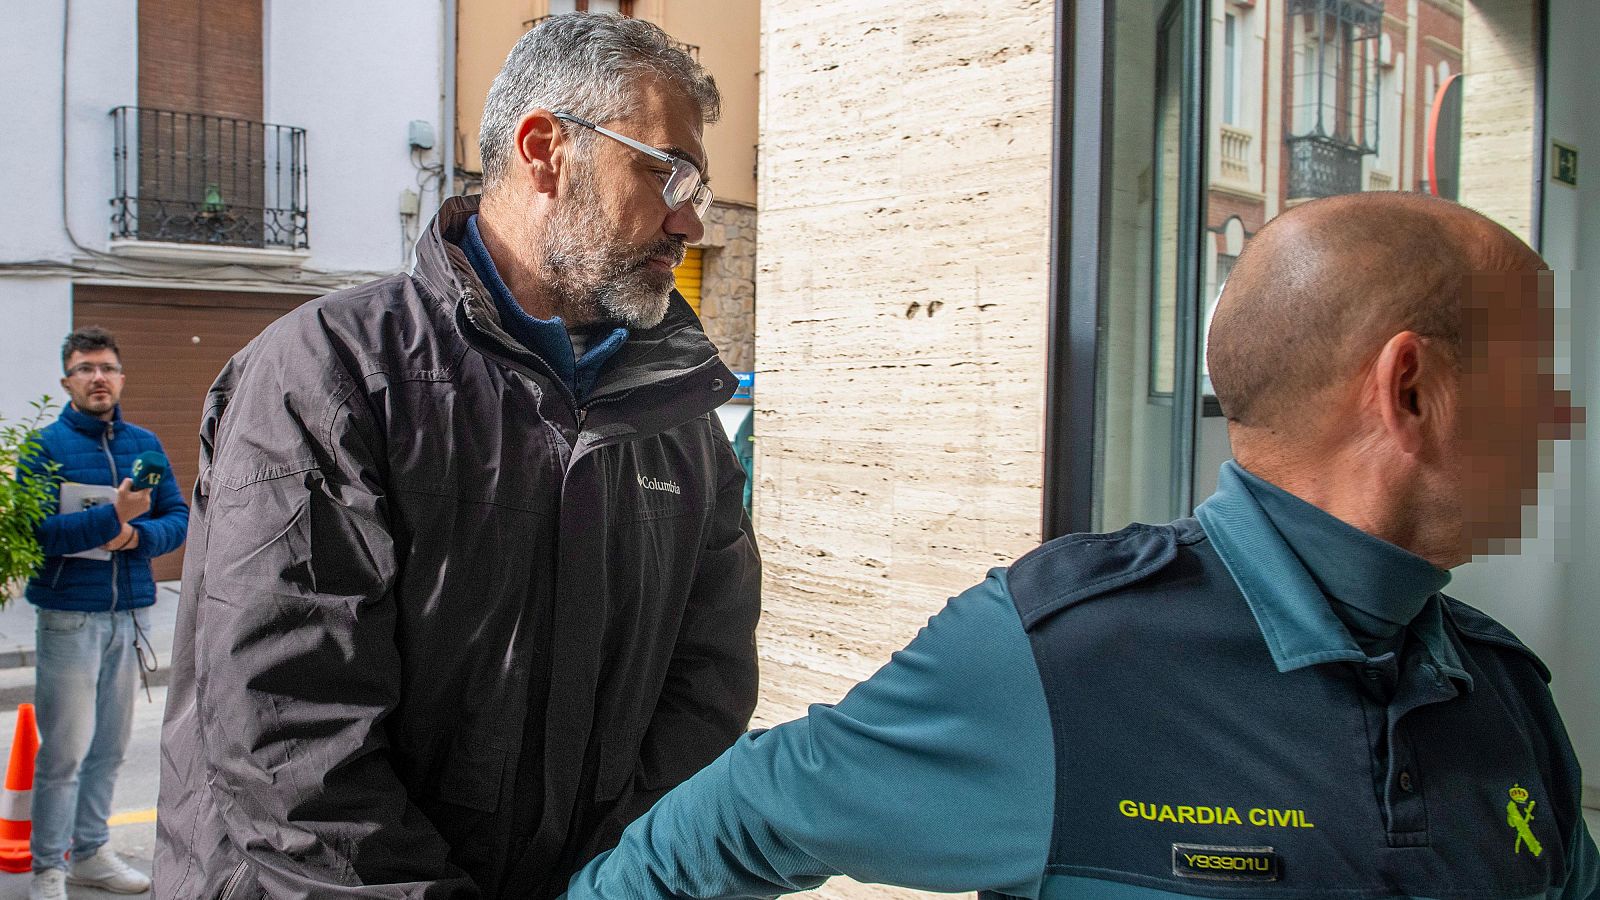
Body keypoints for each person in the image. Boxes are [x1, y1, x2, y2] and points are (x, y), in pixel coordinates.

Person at [562, 193, 1600, 900]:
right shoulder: (1063, 657)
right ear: (1410, 389)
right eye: (1535, 375)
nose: (1563, 418)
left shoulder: (1504, 693)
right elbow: (733, 822)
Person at [154, 13, 760, 899]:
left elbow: (707, 686)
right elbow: (289, 742)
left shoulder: (679, 416)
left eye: (696, 187)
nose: (689, 221)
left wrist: (614, 883)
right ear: (546, 149)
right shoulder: (329, 375)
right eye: (665, 171)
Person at [18, 326, 188, 899]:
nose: (99, 378)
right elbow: (39, 533)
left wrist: (134, 538)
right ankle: (48, 867)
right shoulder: (44, 448)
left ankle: (90, 853)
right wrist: (113, 516)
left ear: (121, 377)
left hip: (130, 616)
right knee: (63, 754)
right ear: (66, 381)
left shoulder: (144, 444)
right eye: (86, 369)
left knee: (109, 751)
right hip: (69, 617)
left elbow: (179, 519)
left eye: (108, 368)